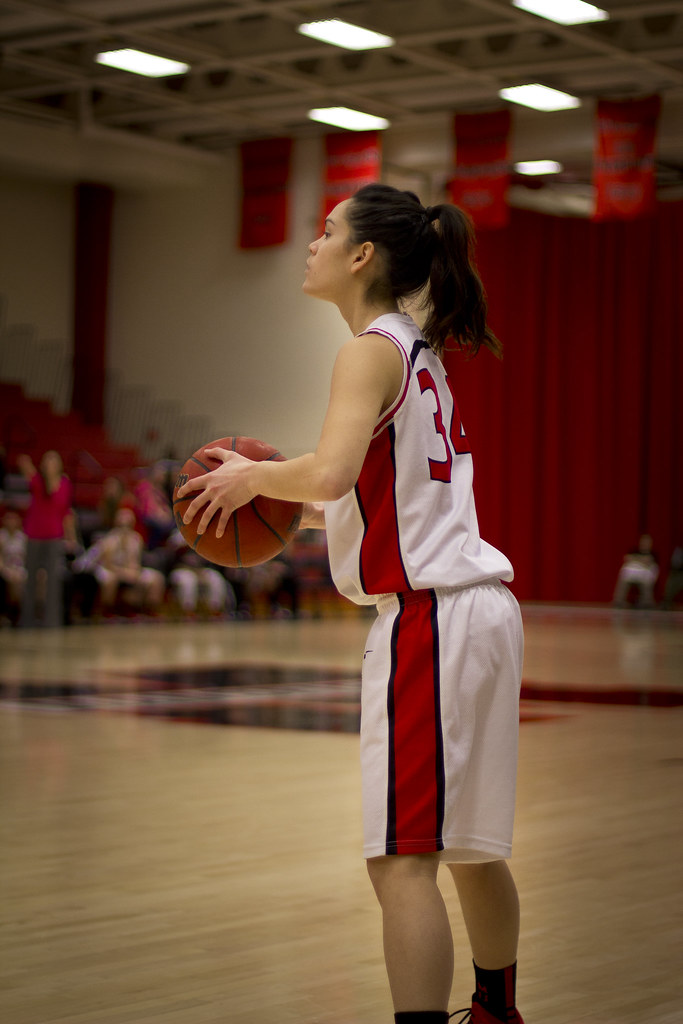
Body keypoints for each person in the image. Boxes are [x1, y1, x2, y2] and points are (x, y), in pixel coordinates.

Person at [177, 183, 525, 1024]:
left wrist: (251, 477)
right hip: (477, 610)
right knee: (469, 849)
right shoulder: (417, 352)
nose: (312, 243)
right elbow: (357, 493)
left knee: (402, 861)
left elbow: (328, 475)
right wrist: (273, 498)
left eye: (326, 231)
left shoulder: (367, 350)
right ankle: (494, 1010)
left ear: (361, 256)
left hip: (430, 621)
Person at [17, 450, 73, 628]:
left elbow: (66, 512)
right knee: (31, 578)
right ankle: (26, 620)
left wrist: (70, 537)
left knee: (53, 581)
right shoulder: (37, 481)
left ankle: (52, 621)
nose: (50, 463)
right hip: (34, 535)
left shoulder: (65, 483)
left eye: (53, 460)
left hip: (54, 536)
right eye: (47, 460)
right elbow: (25, 466)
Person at [92, 506, 166, 617]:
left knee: (156, 578)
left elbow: (135, 562)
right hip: (110, 569)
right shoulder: (109, 540)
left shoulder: (136, 539)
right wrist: (123, 572)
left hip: (128, 569)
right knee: (110, 580)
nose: (125, 528)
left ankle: (148, 610)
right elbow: (108, 565)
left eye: (128, 524)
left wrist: (133, 572)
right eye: (122, 524)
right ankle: (107, 611)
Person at [612, 533, 659, 608]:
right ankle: (619, 602)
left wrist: (636, 559)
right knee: (623, 579)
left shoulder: (653, 553)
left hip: (645, 577)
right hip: (632, 575)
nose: (645, 544)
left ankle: (646, 603)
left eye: (647, 542)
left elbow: (649, 561)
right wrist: (642, 560)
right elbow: (627, 558)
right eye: (643, 541)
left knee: (647, 583)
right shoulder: (634, 550)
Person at [0, 509, 27, 625]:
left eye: (13, 519)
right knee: (10, 579)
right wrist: (5, 570)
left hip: (21, 569)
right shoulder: (1, 536)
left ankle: (24, 613)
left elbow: (27, 558)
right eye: (8, 518)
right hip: (6, 568)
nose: (11, 522)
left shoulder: (23, 537)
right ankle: (9, 613)